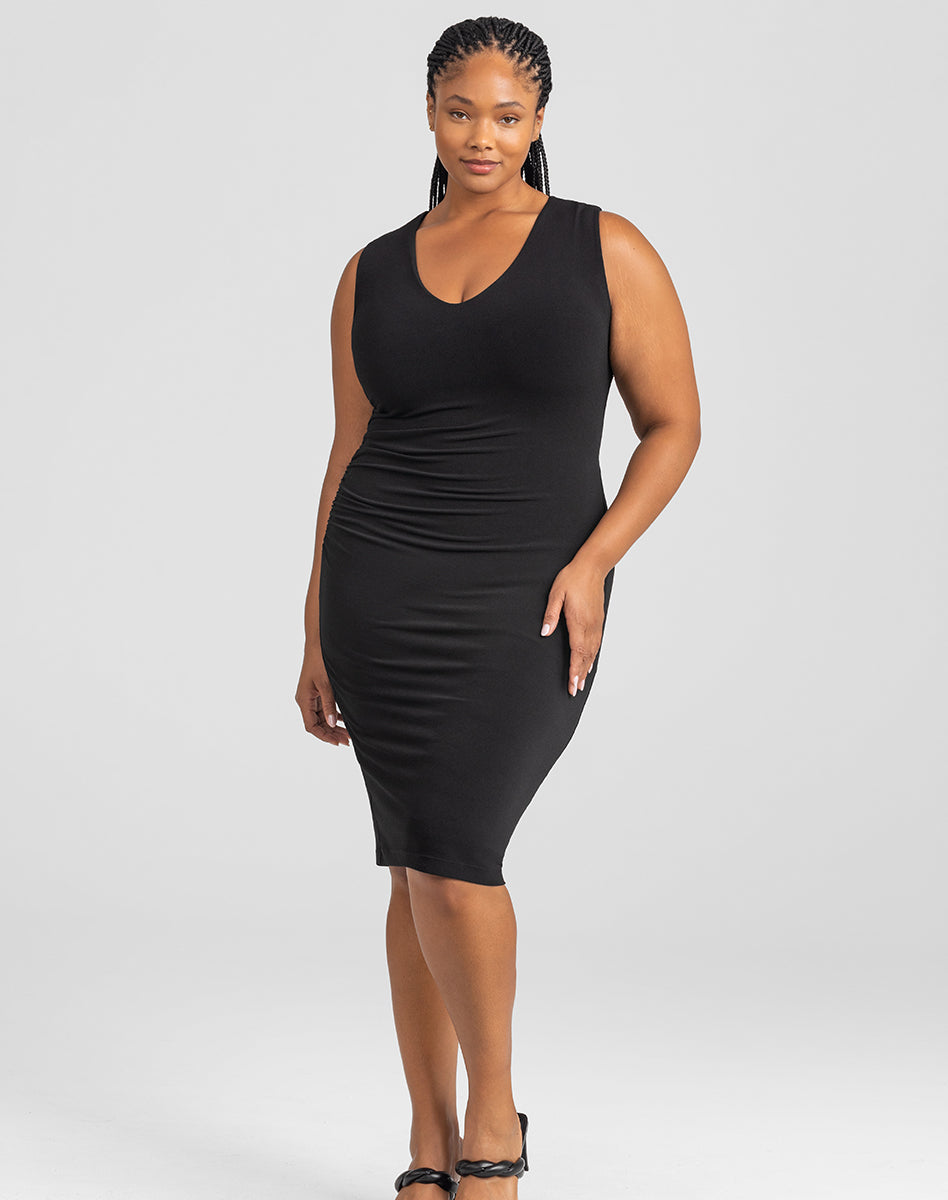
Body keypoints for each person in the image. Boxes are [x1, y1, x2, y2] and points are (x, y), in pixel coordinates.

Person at [296, 16, 701, 1197]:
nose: (483, 136)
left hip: (525, 596)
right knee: (413, 860)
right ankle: (429, 1140)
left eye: (508, 116)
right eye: (461, 111)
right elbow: (348, 451)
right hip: (380, 588)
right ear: (429, 113)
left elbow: (673, 426)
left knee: (455, 847)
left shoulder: (602, 247)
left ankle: (493, 1117)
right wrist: (315, 625)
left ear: (540, 122)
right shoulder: (370, 271)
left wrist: (595, 561)